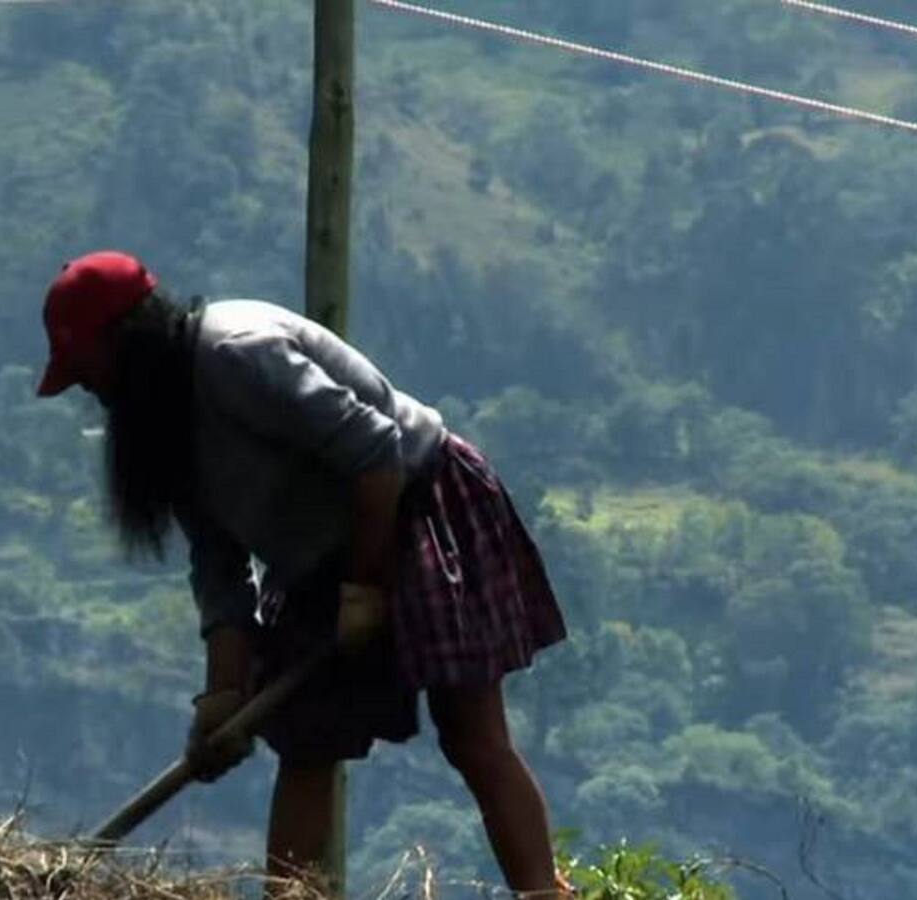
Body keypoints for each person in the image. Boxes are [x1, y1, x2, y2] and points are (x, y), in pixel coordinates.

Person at [36, 250, 570, 896]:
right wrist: (222, 695)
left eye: (86, 368)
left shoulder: (236, 354)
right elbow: (217, 560)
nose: (89, 390)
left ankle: (542, 893)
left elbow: (379, 454)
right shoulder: (163, 420)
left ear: (127, 339)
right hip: (321, 557)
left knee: (471, 734)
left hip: (417, 504)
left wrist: (364, 589)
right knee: (306, 741)